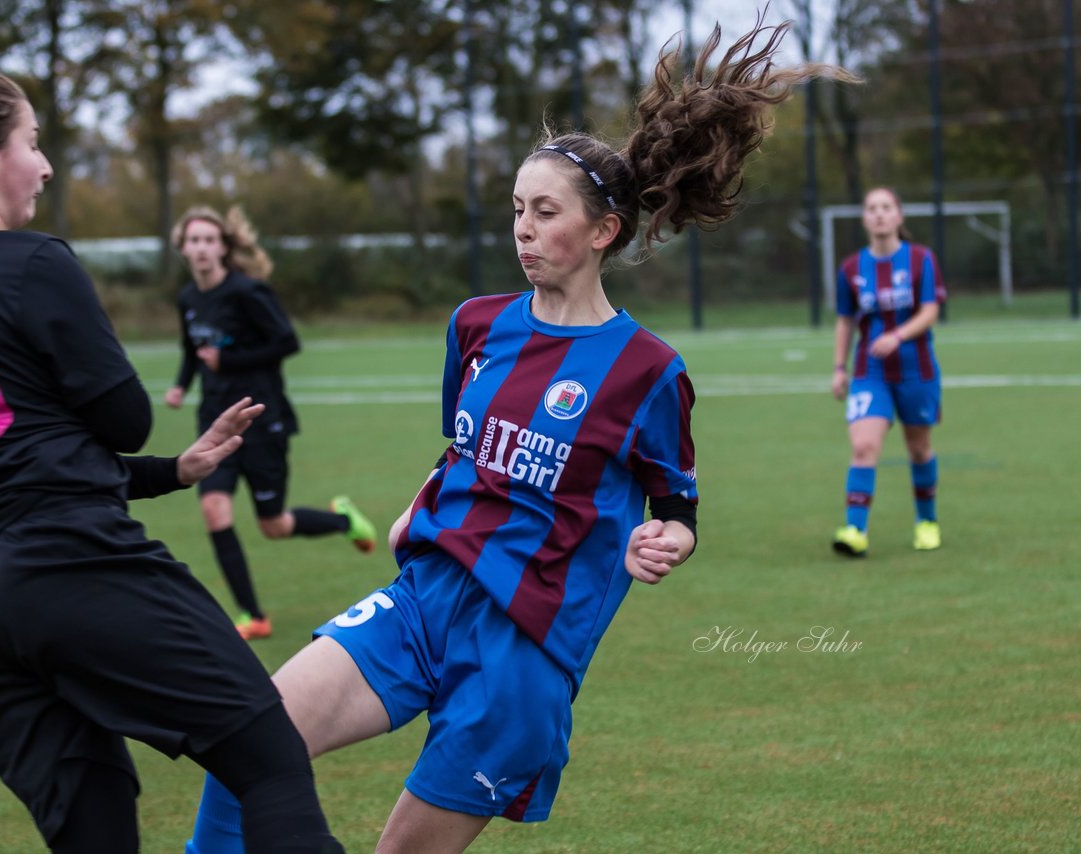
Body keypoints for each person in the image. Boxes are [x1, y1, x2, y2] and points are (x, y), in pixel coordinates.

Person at [185, 18, 855, 854]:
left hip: (524, 652)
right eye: (516, 209)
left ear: (603, 231)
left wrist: (668, 539)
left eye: (545, 212)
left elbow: (676, 502)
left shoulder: (647, 369)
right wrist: (419, 503)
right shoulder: (475, 326)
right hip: (424, 601)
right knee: (245, 745)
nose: (524, 229)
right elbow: (460, 448)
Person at [0, 69, 343, 853]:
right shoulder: (32, 262)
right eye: (35, 142)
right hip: (68, 565)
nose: (48, 164)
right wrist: (139, 441)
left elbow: (9, 468)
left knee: (95, 833)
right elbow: (124, 421)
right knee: (268, 762)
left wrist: (176, 472)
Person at [166, 204, 377, 641]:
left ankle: (344, 522)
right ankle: (253, 616)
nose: (202, 248)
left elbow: (287, 341)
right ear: (182, 248)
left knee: (273, 525)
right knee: (213, 507)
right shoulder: (188, 298)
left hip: (263, 419)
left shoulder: (248, 292)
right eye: (194, 240)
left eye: (209, 239)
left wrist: (229, 360)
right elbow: (193, 350)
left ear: (223, 247)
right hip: (215, 423)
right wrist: (180, 386)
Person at [831, 187, 946, 556]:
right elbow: (845, 321)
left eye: (886, 208)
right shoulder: (851, 269)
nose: (879, 214)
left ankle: (926, 522)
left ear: (899, 216)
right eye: (871, 208)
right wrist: (838, 368)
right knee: (864, 446)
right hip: (870, 372)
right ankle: (855, 530)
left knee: (919, 447)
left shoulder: (920, 260)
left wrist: (897, 335)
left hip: (918, 371)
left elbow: (930, 311)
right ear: (865, 218)